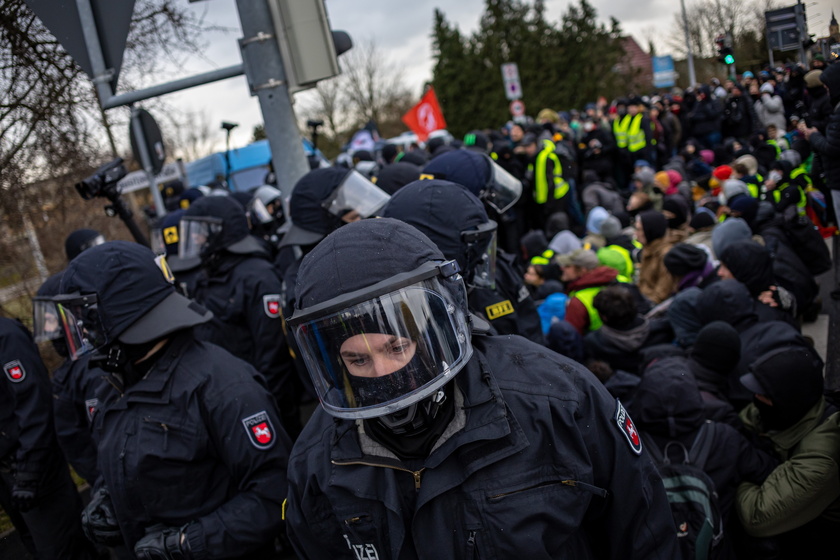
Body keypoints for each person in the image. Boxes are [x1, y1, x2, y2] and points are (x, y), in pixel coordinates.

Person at [283, 218, 680, 559]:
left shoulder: (556, 398)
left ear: (434, 330)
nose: (383, 372)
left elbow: (643, 529)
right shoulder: (319, 459)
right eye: (358, 360)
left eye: (397, 347)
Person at [46, 241, 291, 559]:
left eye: (85, 316)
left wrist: (190, 543)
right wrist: (108, 499)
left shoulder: (223, 386)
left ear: (122, 310)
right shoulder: (114, 383)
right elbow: (129, 458)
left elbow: (276, 493)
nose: (83, 329)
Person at [381, 179, 545, 345]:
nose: (481, 255)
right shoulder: (403, 307)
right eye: (474, 245)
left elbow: (530, 330)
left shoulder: (492, 274)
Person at [0, 316, 97, 559]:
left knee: (63, 549)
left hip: (32, 467)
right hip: (7, 474)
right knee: (36, 546)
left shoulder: (6, 336)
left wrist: (30, 471)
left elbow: (35, 403)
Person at [736, 345, 840, 557]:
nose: (756, 398)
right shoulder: (785, 412)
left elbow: (756, 516)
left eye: (763, 394)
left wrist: (736, 467)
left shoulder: (821, 460)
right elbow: (744, 423)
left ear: (787, 400)